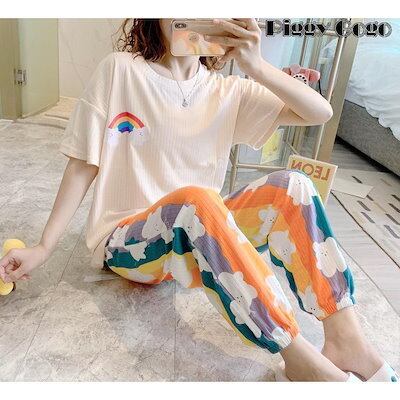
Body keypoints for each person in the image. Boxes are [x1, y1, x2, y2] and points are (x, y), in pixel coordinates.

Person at [0, 18, 396, 382]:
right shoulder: (120, 70)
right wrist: (44, 246)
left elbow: (319, 112)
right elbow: (83, 163)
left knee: (293, 185)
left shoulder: (227, 91)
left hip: (197, 236)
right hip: (127, 241)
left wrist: (256, 65)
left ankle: (346, 340)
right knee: (196, 200)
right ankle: (298, 357)